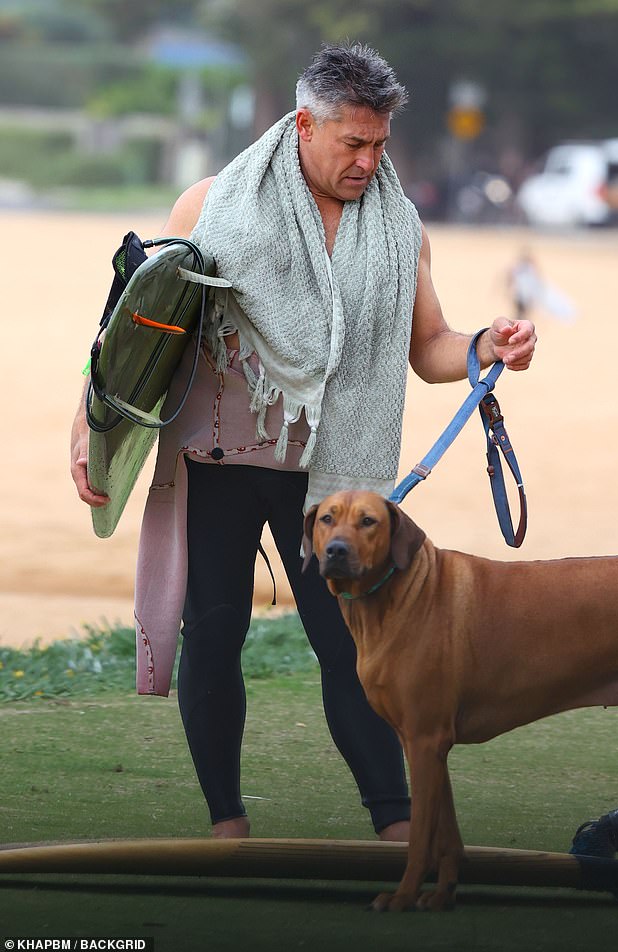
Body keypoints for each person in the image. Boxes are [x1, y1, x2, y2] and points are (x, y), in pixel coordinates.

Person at [70, 43, 536, 841]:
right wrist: (91, 425)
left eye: (380, 143)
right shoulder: (211, 205)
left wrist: (483, 348)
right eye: (352, 143)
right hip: (216, 458)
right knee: (214, 636)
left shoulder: (399, 226)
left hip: (331, 479)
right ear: (304, 124)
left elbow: (426, 348)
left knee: (351, 646)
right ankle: (227, 826)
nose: (369, 161)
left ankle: (394, 824)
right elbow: (130, 328)